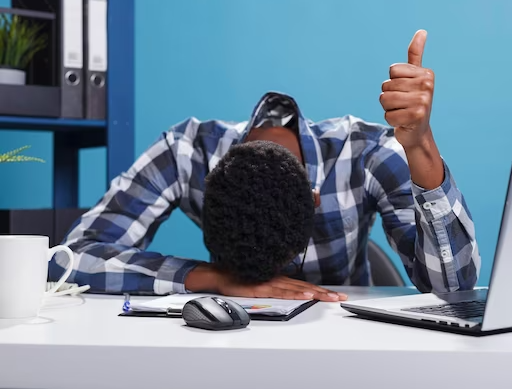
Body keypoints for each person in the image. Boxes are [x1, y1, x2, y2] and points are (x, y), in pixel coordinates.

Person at [50, 30, 481, 301]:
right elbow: (68, 262)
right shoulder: (188, 152)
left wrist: (421, 145)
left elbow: (454, 289)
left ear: (315, 199)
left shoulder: (364, 151)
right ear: (211, 179)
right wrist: (207, 277)